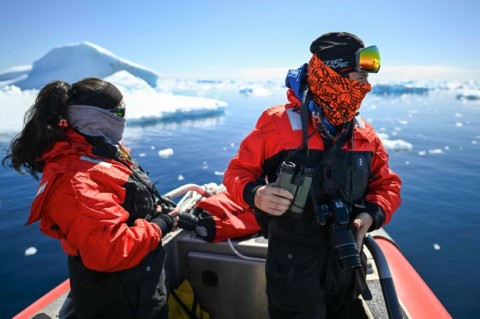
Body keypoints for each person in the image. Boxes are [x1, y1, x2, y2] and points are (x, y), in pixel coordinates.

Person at [223, 32, 402, 318]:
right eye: (358, 80)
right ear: (332, 77)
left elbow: (387, 184)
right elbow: (237, 172)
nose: (365, 89)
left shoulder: (363, 133)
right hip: (292, 268)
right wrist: (256, 194)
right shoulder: (276, 124)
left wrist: (369, 216)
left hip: (345, 260)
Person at [3, 78, 180, 319]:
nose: (122, 119)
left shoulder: (100, 150)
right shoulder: (75, 180)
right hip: (118, 299)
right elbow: (110, 251)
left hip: (141, 283)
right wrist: (161, 224)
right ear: (94, 116)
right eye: (118, 112)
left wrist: (152, 211)